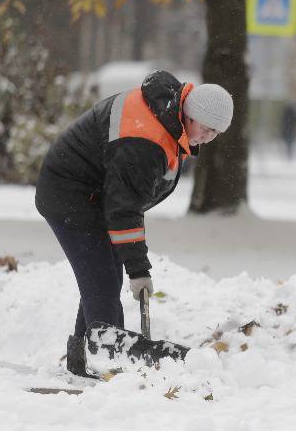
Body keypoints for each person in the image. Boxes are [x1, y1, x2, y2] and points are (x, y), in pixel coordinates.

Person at [35, 70, 233, 377]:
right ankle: (106, 359)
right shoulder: (146, 139)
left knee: (104, 276)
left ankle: (83, 357)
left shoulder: (166, 115)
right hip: (69, 195)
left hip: (94, 197)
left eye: (216, 134)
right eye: (208, 130)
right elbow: (125, 208)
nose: (208, 139)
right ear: (191, 115)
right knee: (101, 279)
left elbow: (125, 201)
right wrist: (139, 269)